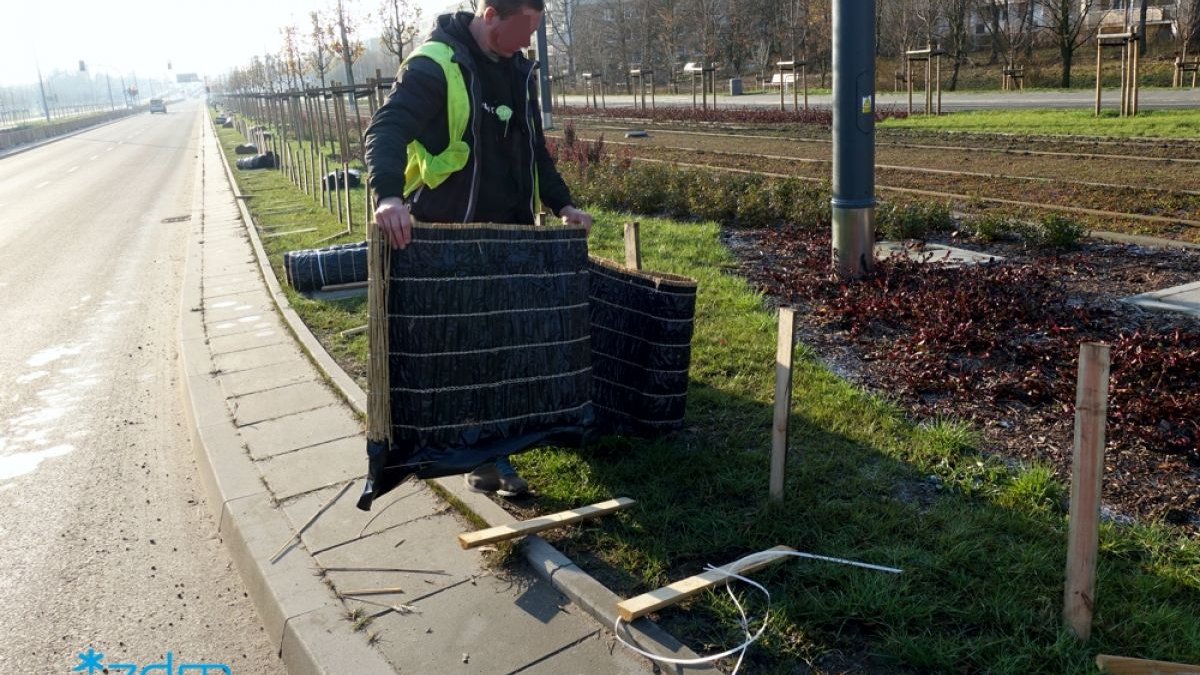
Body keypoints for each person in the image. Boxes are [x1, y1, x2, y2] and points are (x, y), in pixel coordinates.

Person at [363, 0, 593, 498]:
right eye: (522, 30)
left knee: (502, 347)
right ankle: (464, 453)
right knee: (461, 352)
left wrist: (562, 205)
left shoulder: (517, 69)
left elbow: (534, 147)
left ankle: (495, 452)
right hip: (450, 240)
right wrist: (388, 197)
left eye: (535, 30)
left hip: (508, 237)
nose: (529, 42)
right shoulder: (434, 64)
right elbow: (387, 129)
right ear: (490, 15)